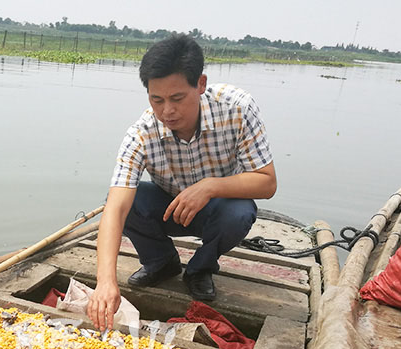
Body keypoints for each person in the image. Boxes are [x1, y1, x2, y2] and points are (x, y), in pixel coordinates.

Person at [87, 34, 276, 331]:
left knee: (239, 212)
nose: (167, 112)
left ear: (200, 84)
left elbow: (266, 183)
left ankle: (200, 269)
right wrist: (105, 281)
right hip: (169, 207)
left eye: (177, 98)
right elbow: (116, 208)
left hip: (218, 209)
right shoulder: (141, 133)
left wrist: (210, 186)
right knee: (127, 201)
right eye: (156, 100)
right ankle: (161, 262)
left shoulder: (238, 108)